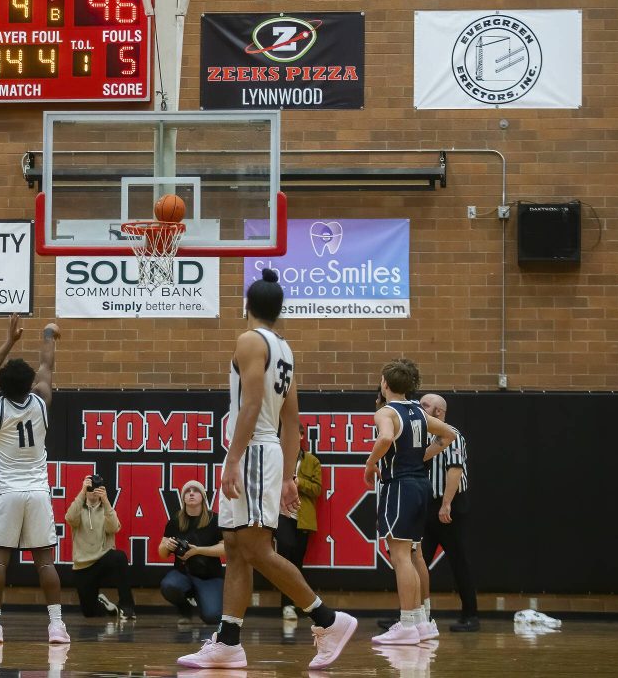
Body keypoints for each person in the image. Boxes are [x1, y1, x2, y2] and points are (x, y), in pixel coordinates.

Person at [178, 268, 357, 670]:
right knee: (237, 548)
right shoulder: (285, 350)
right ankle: (228, 642)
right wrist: (291, 474)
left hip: (253, 452)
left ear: (246, 306)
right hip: (265, 451)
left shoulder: (248, 340)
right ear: (279, 311)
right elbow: (293, 421)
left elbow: (252, 405)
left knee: (256, 548)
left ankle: (328, 620)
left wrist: (234, 459)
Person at [0, 314, 69, 645]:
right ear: (29, 384)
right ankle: (57, 626)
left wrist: (10, 340)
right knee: (45, 562)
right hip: (39, 492)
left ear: (2, 385)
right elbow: (46, 365)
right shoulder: (42, 399)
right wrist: (46, 334)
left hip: (7, 492)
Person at [366, 360, 456, 646]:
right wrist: (421, 457)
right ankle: (420, 622)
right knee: (413, 554)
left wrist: (369, 464)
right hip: (420, 486)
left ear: (385, 383)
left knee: (401, 557)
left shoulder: (386, 412)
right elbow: (449, 434)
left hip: (400, 487)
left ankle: (406, 624)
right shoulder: (418, 410)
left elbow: (386, 438)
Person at [419, 393, 478, 632]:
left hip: (449, 505)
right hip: (427, 505)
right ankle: (414, 617)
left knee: (459, 561)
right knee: (417, 562)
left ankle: (471, 615)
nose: (419, 408)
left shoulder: (452, 435)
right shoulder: (422, 435)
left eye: (425, 405)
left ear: (439, 412)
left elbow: (454, 470)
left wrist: (446, 504)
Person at [65, 474, 135, 620]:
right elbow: (70, 518)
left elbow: (114, 528)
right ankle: (107, 606)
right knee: (89, 612)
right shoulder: (79, 508)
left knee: (119, 557)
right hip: (83, 565)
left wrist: (106, 501)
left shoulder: (106, 509)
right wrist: (83, 491)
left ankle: (127, 606)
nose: (93, 490)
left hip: (102, 559)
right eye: (91, 487)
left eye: (96, 487)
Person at [159, 480, 225, 625]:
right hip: (183, 573)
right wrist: (167, 545)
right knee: (168, 586)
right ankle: (185, 609)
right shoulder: (175, 521)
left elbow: (225, 548)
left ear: (203, 497)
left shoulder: (215, 519)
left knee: (212, 617)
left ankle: (201, 598)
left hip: (210, 576)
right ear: (183, 498)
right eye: (188, 492)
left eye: (195, 491)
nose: (191, 494)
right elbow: (162, 552)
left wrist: (198, 551)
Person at [275, 423, 322, 621]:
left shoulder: (311, 461)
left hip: (302, 518)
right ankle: (287, 605)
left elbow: (317, 489)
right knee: (285, 556)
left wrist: (299, 482)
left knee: (296, 562)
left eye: (294, 433)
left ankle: (296, 604)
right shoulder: (275, 458)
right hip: (280, 515)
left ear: (302, 435)